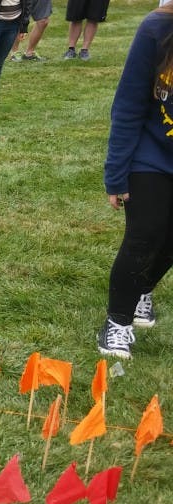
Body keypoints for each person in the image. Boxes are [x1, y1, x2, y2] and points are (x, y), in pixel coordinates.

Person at [98, 5, 173, 359]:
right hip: (151, 156)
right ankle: (118, 322)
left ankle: (142, 289)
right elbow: (128, 103)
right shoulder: (157, 28)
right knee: (145, 236)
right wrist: (117, 173)